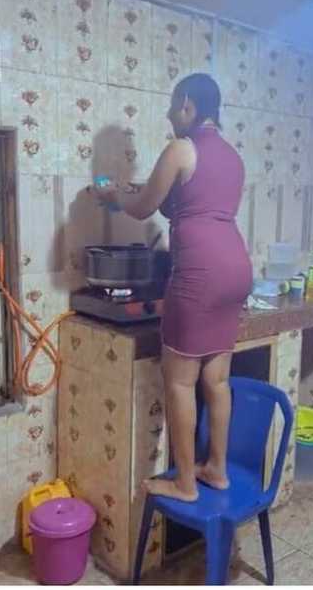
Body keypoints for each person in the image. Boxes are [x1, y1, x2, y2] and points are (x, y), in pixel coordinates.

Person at [91, 73, 252, 502]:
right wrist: (134, 191)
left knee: (180, 381)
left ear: (187, 104)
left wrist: (115, 198)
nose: (167, 114)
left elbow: (145, 209)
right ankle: (215, 469)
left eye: (171, 105)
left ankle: (184, 483)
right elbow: (177, 200)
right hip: (236, 266)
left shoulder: (182, 147)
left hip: (200, 272)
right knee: (216, 381)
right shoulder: (233, 157)